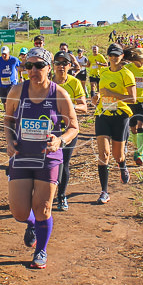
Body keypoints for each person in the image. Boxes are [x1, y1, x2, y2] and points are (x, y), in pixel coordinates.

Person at [4, 47, 79, 269]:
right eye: (29, 66)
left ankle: (40, 251)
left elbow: (74, 126)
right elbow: (8, 121)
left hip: (48, 158)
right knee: (18, 212)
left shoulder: (59, 94)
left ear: (49, 67)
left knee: (43, 208)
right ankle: (33, 224)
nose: (33, 70)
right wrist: (9, 141)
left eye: (38, 66)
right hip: (21, 155)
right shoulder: (17, 91)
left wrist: (60, 141)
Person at [93, 43, 136, 204]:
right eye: (111, 55)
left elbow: (133, 98)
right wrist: (96, 97)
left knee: (118, 155)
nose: (113, 58)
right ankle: (104, 191)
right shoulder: (103, 71)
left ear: (122, 56)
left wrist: (112, 94)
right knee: (104, 154)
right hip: (102, 114)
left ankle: (122, 165)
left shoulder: (127, 74)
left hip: (121, 116)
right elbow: (101, 91)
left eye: (116, 55)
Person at [51, 50, 87, 211]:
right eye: (57, 63)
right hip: (49, 129)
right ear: (53, 66)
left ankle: (62, 196)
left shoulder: (74, 82)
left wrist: (70, 106)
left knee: (63, 163)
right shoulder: (46, 82)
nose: (61, 66)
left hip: (68, 129)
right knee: (47, 164)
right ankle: (45, 195)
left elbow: (84, 107)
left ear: (70, 66)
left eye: (64, 63)